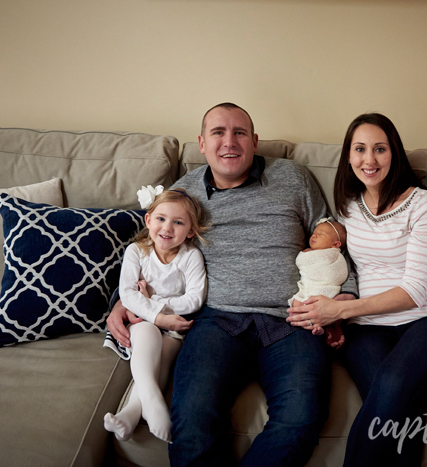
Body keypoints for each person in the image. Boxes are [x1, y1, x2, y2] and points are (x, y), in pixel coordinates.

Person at [106, 103, 357, 467]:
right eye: (218, 133)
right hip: (215, 321)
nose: (230, 142)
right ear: (202, 143)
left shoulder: (293, 177)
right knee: (192, 421)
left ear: (254, 141)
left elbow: (332, 239)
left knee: (300, 419)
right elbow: (150, 246)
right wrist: (121, 299)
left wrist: (345, 297)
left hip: (292, 318)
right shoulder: (185, 191)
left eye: (240, 133)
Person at [287, 113, 427, 466]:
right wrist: (327, 308)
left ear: (394, 154)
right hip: (367, 329)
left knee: (392, 386)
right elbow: (336, 268)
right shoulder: (347, 209)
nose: (369, 159)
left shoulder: (423, 204)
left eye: (380, 149)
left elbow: (414, 291)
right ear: (348, 156)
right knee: (394, 408)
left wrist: (341, 311)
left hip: (424, 320)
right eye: (360, 149)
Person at [104, 188, 208, 443]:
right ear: (148, 220)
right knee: (148, 333)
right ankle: (152, 402)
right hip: (143, 323)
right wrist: (157, 315)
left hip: (174, 328)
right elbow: (128, 295)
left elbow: (195, 298)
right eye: (161, 219)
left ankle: (129, 415)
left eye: (178, 222)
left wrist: (152, 301)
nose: (167, 227)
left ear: (190, 231)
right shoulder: (137, 252)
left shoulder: (190, 256)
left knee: (160, 361)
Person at [289, 218, 348, 348]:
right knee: (298, 305)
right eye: (314, 233)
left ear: (336, 245)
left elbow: (301, 261)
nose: (314, 235)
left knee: (303, 304)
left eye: (321, 234)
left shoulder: (332, 255)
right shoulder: (320, 253)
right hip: (314, 287)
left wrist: (305, 254)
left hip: (325, 289)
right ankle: (323, 328)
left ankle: (319, 326)